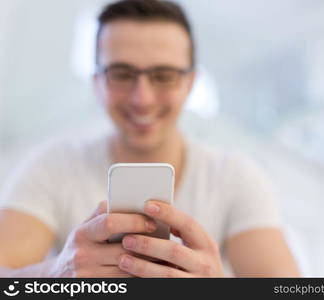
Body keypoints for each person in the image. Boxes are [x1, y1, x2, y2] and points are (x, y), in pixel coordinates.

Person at [0, 0, 299, 277]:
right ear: (97, 82)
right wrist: (56, 274)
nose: (142, 98)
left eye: (163, 75)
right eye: (121, 73)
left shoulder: (235, 176)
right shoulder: (53, 167)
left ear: (190, 83)